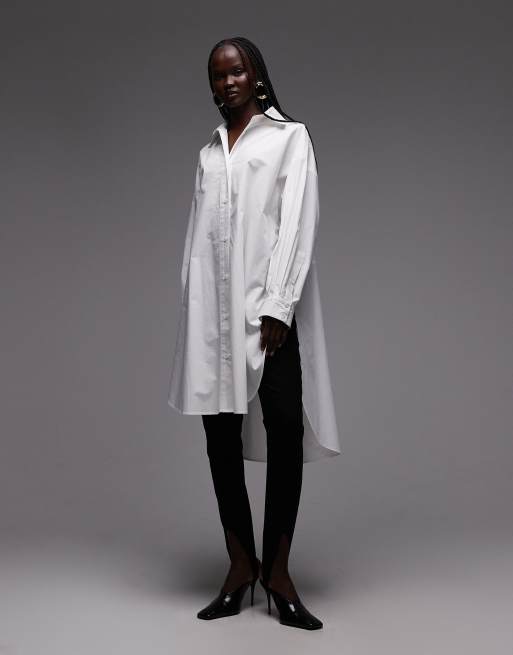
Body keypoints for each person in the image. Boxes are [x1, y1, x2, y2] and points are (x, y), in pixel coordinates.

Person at [168, 36, 341, 630]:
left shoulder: (289, 138)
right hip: (214, 320)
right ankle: (240, 566)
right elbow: (197, 241)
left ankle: (279, 572)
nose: (227, 83)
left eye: (236, 71)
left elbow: (297, 222)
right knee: (219, 440)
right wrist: (192, 312)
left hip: (269, 316)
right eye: (218, 76)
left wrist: (279, 304)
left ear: (257, 75)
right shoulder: (209, 155)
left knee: (285, 431)